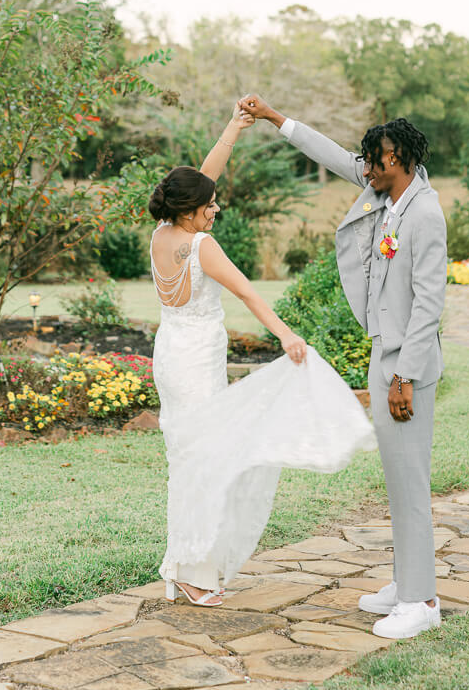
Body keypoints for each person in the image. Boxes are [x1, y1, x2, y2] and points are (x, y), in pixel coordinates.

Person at [149, 104, 376, 607]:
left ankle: (185, 566)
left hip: (172, 355)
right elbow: (250, 293)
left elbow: (200, 181)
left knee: (190, 457)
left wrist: (233, 126)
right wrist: (287, 337)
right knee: (206, 460)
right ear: (194, 210)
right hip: (196, 362)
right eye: (212, 205)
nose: (217, 208)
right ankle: (192, 573)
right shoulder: (202, 245)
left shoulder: (162, 234)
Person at [239, 95, 447, 641]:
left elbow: (429, 304)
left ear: (397, 158)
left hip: (407, 367)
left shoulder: (424, 211)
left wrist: (403, 375)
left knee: (411, 482)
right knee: (397, 479)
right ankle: (406, 581)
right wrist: (274, 118)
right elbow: (331, 155)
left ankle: (421, 601)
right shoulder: (387, 195)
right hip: (385, 356)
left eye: (374, 162)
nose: (366, 170)